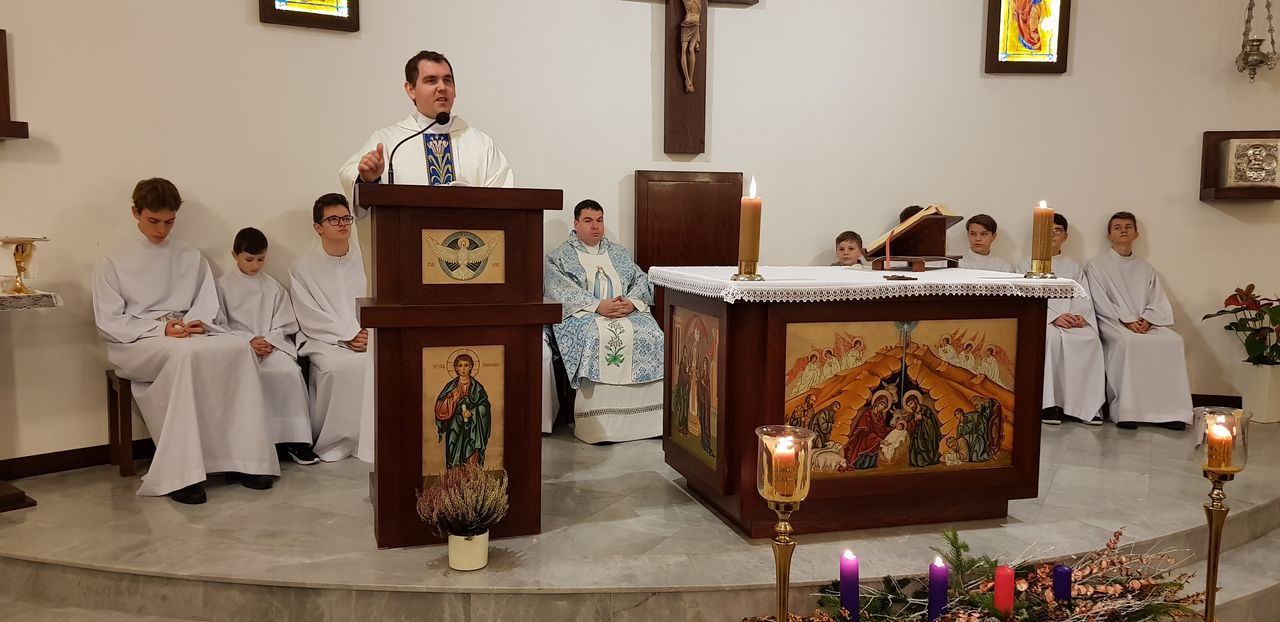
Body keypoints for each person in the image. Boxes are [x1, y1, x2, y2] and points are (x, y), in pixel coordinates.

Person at [92, 178, 278, 504]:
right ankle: (182, 473)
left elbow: (206, 303)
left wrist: (195, 323)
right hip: (136, 341)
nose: (162, 230)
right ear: (135, 212)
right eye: (154, 221)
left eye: (169, 222)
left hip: (186, 333)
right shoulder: (112, 259)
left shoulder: (190, 256)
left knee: (239, 348)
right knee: (184, 357)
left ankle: (245, 460)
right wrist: (161, 329)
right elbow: (109, 320)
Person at [544, 199, 665, 443]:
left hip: (624, 311)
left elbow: (641, 279)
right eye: (588, 221)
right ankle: (597, 426)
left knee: (652, 332)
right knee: (596, 335)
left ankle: (652, 421)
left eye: (599, 220)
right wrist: (598, 306)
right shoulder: (559, 257)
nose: (595, 227)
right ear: (576, 223)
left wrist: (632, 302)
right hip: (584, 315)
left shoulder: (619, 254)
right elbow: (559, 288)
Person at [339, 50, 513, 214]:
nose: (442, 87)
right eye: (431, 81)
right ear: (411, 89)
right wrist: (368, 180)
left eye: (447, 80)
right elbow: (350, 176)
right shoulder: (388, 142)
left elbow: (504, 199)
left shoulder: (480, 144)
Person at [215, 227, 319, 464]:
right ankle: (256, 441)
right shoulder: (220, 287)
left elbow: (285, 323)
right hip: (238, 349)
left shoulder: (272, 287)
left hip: (272, 347)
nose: (255, 265)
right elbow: (218, 323)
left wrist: (270, 341)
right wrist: (247, 341)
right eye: (249, 259)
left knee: (290, 372)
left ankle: (295, 441)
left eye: (261, 259)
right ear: (234, 255)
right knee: (249, 377)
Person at [1085, 211, 1192, 430]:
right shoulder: (1097, 265)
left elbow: (1156, 300)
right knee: (1129, 342)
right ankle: (1127, 412)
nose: (1123, 230)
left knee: (1174, 341)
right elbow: (1099, 299)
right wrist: (1126, 320)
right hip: (1112, 322)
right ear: (1108, 235)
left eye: (1128, 227)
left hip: (1144, 323)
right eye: (1117, 227)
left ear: (1136, 233)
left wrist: (1148, 319)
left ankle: (1169, 412)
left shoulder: (1145, 268)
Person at [289, 194, 375, 461]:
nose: (343, 224)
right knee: (338, 368)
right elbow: (307, 313)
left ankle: (372, 440)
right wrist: (347, 334)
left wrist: (367, 332)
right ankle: (335, 441)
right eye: (334, 219)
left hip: (368, 335)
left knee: (378, 364)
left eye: (346, 218)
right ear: (318, 227)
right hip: (325, 339)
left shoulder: (367, 260)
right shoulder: (303, 267)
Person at [1016, 214, 1105, 425]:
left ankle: (1086, 406)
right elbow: (1024, 297)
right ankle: (1049, 405)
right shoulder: (1026, 264)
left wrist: (1078, 316)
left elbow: (1083, 294)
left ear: (1065, 236)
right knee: (1051, 339)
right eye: (1047, 231)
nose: (1052, 235)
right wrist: (1054, 317)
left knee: (1089, 340)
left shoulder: (1074, 267)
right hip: (1044, 320)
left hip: (1073, 319)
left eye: (1057, 231)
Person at [433, 353, 492, 467]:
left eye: (466, 365)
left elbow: (485, 407)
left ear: (471, 367)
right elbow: (439, 408)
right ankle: (454, 477)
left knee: (471, 451)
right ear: (456, 368)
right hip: (455, 424)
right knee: (453, 451)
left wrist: (473, 412)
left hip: (473, 426)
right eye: (460, 366)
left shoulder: (477, 388)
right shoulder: (451, 386)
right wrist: (452, 400)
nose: (463, 369)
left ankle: (471, 477)